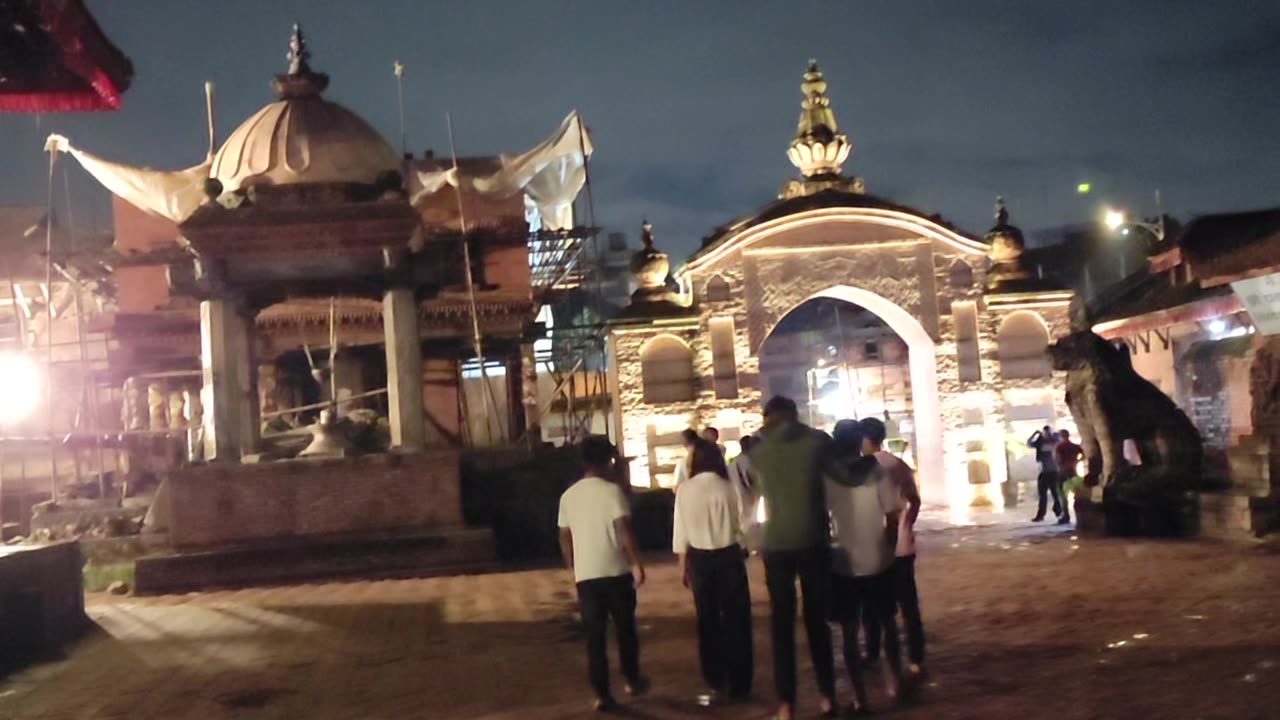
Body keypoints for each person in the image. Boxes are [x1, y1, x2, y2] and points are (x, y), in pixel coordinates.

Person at [751, 395, 838, 720]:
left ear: (768, 418)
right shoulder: (816, 443)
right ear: (795, 415)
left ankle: (787, 705)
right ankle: (828, 697)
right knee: (818, 622)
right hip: (814, 540)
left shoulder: (758, 451)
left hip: (776, 545)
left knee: (781, 625)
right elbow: (840, 476)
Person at [558, 435, 649, 712]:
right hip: (616, 571)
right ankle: (632, 680)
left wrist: (573, 564)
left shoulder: (569, 496)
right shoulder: (612, 492)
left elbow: (564, 535)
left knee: (594, 637)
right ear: (607, 461)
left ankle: (602, 694)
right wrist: (636, 564)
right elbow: (624, 531)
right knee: (625, 630)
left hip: (587, 575)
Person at [826, 420, 903, 713]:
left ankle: (860, 698)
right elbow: (893, 515)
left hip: (842, 563)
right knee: (887, 623)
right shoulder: (877, 472)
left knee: (848, 633)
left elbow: (823, 520)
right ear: (859, 442)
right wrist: (889, 549)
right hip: (877, 558)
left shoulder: (827, 477)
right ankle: (894, 684)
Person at [673, 438, 754, 702]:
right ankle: (740, 680)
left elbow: (680, 533)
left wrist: (682, 567)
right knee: (737, 619)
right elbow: (744, 523)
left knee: (707, 619)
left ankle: (714, 677)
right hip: (729, 555)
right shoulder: (728, 488)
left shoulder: (685, 490)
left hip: (700, 559)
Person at [860, 417, 926, 680]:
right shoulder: (898, 464)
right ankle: (916, 657)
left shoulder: (863, 468)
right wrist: (907, 526)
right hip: (903, 547)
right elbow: (915, 501)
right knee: (908, 605)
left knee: (873, 605)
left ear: (865, 438)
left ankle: (875, 652)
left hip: (877, 546)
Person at [1028, 426, 1063, 522]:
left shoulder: (1055, 441)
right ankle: (1041, 515)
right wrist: (1035, 434)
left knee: (1056, 494)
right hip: (1043, 472)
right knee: (1042, 495)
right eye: (1045, 433)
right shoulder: (1040, 442)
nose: (1047, 435)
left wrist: (1056, 435)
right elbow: (1029, 443)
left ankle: (1059, 513)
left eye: (1048, 433)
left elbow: (1061, 440)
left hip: (1054, 472)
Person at [1053, 429, 1084, 525]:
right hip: (1073, 471)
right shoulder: (1075, 446)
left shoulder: (1059, 446)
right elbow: (1083, 455)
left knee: (1062, 494)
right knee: (1077, 492)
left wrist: (1060, 466)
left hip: (1063, 472)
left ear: (1060, 436)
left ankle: (1066, 515)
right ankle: (1080, 515)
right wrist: (1076, 461)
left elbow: (1057, 458)